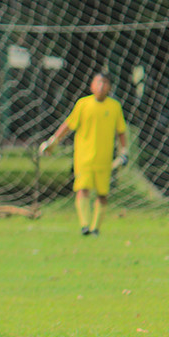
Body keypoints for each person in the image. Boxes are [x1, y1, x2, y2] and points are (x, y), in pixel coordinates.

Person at [40, 71, 128, 236]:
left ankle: (96, 228)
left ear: (109, 87)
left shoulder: (114, 106)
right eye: (98, 83)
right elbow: (68, 124)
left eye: (104, 83)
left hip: (104, 158)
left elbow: (121, 131)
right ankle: (84, 226)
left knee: (102, 193)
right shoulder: (83, 104)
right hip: (84, 157)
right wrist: (53, 141)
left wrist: (124, 151)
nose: (101, 86)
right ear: (92, 85)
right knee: (83, 189)